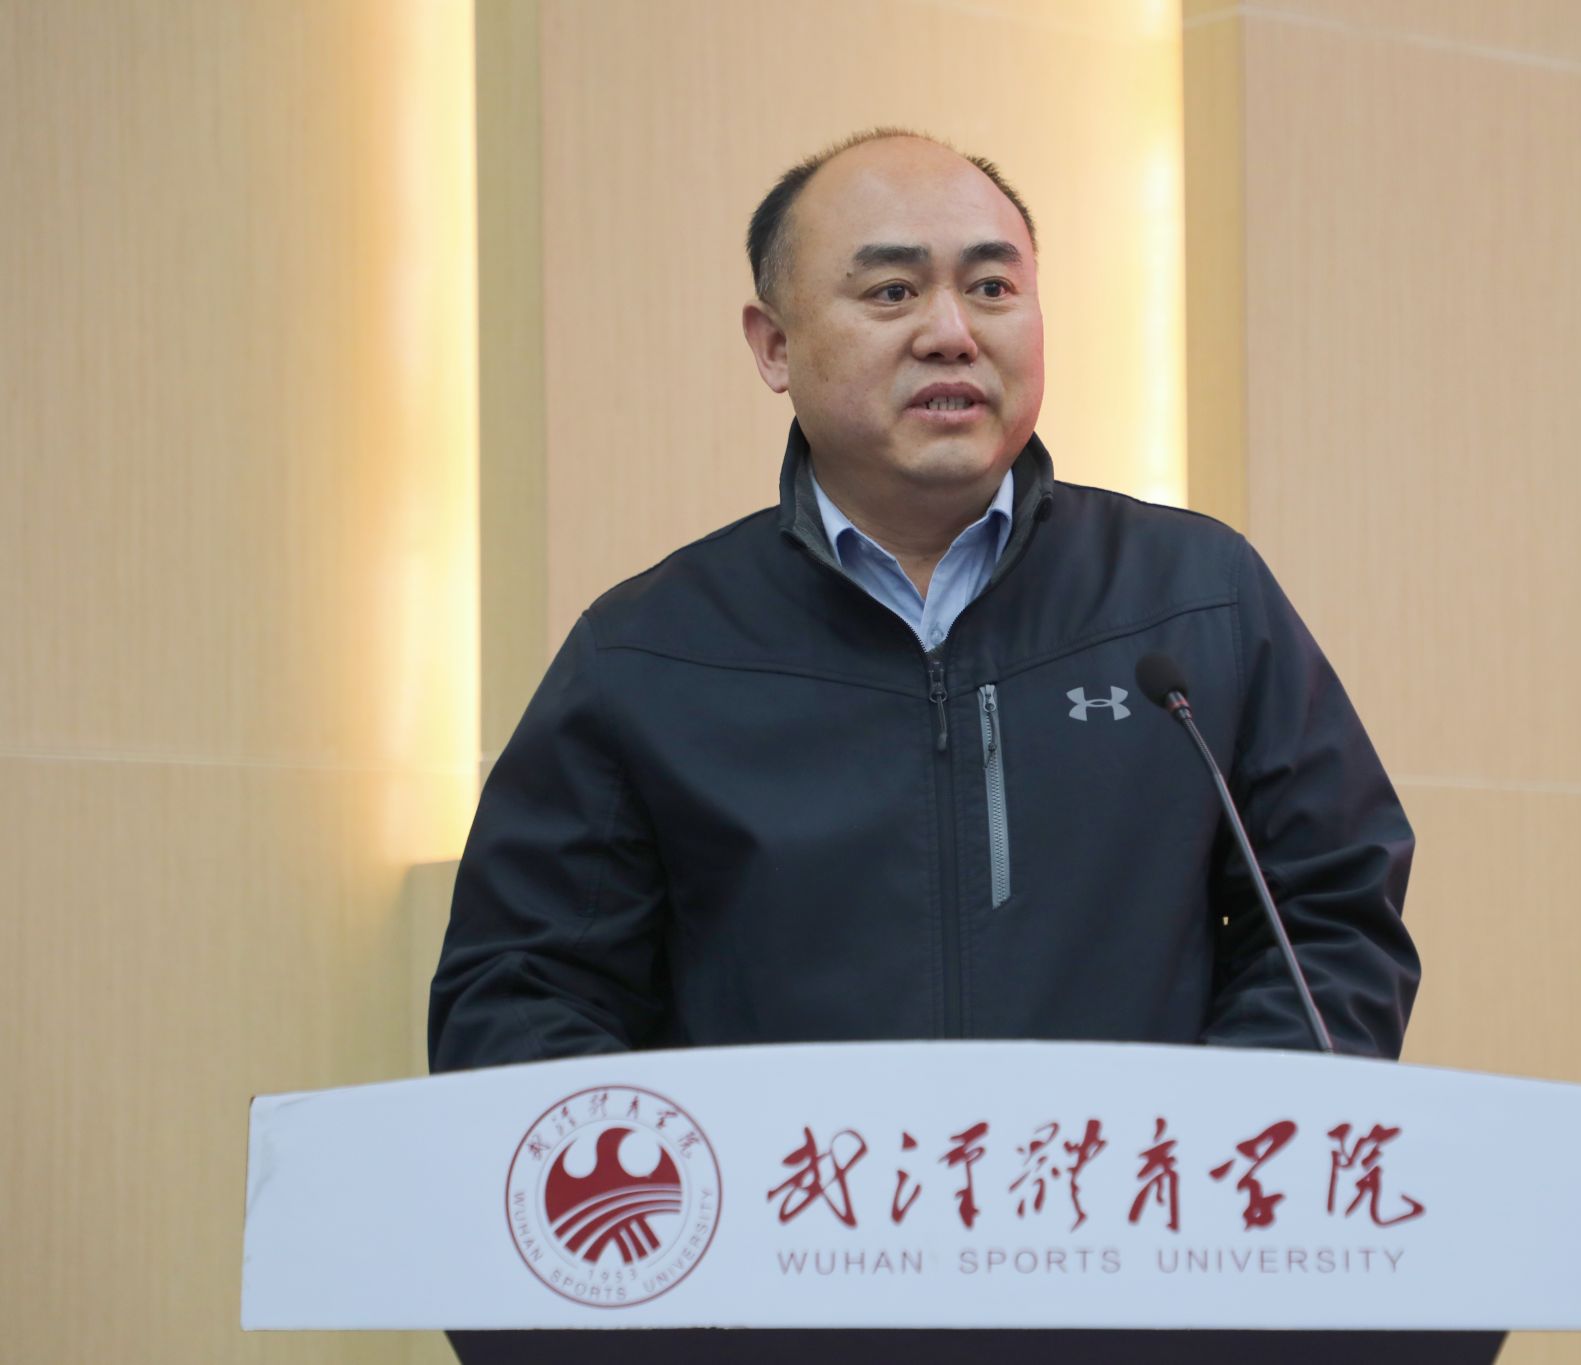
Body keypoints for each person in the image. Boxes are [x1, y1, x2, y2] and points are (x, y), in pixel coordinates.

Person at [427, 129, 1419, 1072]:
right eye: (892, 291)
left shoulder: (1193, 600)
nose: (951, 334)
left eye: (991, 288)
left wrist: (1202, 1144)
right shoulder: (649, 652)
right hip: (799, 1196)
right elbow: (519, 996)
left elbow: (1330, 926)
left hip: (1114, 1189)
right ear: (773, 346)